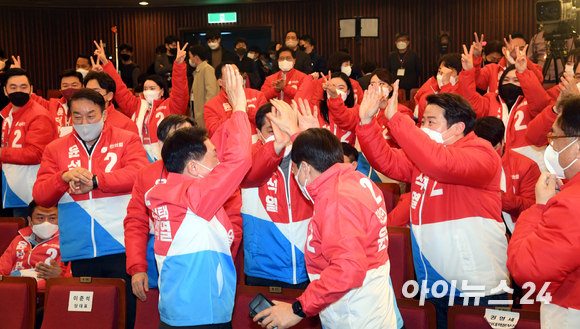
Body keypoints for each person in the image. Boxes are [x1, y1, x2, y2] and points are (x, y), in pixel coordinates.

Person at [357, 84, 510, 329]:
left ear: (458, 127)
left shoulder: (481, 153)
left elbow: (440, 162)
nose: (422, 128)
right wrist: (366, 122)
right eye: (421, 122)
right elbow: (386, 160)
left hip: (477, 286)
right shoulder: (424, 158)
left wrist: (397, 119)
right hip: (432, 282)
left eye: (430, 122)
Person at [253, 127, 397, 329]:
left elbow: (347, 269)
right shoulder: (357, 180)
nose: (294, 174)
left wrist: (299, 309)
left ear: (305, 168)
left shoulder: (336, 201)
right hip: (371, 306)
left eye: (294, 169)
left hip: (354, 315)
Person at [32, 88, 149, 329]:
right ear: (69, 118)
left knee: (123, 315)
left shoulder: (127, 138)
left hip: (121, 242)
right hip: (80, 248)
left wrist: (97, 181)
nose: (84, 122)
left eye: (91, 115)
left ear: (104, 114)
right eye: (77, 116)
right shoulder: (55, 148)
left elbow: (139, 173)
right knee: (89, 318)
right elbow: (40, 194)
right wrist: (62, 177)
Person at [145, 64, 252, 328]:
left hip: (185, 309)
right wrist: (239, 108)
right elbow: (239, 160)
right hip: (199, 314)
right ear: (193, 167)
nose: (219, 161)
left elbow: (225, 149)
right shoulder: (193, 197)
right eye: (213, 157)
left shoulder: (173, 190)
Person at [507, 94, 580, 329]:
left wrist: (539, 207)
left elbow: (526, 269)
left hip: (570, 311)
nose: (551, 145)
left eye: (555, 137)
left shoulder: (571, 203)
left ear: (577, 146)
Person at [240, 101, 314, 289]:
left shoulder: (306, 158)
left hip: (308, 265)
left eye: (284, 127)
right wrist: (277, 146)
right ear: (258, 133)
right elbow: (250, 175)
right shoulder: (247, 157)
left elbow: (333, 177)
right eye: (271, 130)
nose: (280, 134)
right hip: (263, 267)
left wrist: (313, 141)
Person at [458, 44, 552, 171]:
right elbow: (469, 102)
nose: (510, 83)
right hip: (494, 159)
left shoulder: (531, 102)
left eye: (516, 80)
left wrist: (523, 73)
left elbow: (541, 103)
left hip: (531, 162)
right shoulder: (490, 99)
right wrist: (468, 72)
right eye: (506, 79)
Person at [96, 40, 189, 162]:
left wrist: (179, 65)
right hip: (140, 156)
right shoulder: (136, 105)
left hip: (169, 156)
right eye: (145, 88)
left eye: (152, 88)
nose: (148, 91)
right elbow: (120, 89)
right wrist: (106, 63)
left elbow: (180, 91)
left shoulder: (171, 106)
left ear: (161, 91)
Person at [1, 68, 56, 218]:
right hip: (12, 186)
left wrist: (1, 153)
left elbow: (36, 154)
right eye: (13, 87)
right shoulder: (6, 115)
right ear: (5, 91)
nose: (19, 91)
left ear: (31, 89)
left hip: (30, 191)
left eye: (23, 87)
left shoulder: (39, 116)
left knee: (29, 234)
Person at [473, 116, 540, 234]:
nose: (490, 154)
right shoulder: (469, 163)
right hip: (479, 228)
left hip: (514, 229)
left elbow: (533, 207)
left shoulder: (527, 166)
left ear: (503, 141)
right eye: (483, 150)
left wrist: (499, 198)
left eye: (494, 148)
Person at [0, 200, 67, 291]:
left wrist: (59, 276)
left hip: (43, 293)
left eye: (52, 218)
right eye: (40, 218)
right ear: (30, 220)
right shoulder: (18, 240)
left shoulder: (65, 243)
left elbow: (66, 278)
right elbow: (2, 271)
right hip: (12, 290)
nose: (46, 223)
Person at [204, 61, 267, 138]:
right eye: (230, 76)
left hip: (258, 144)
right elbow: (213, 133)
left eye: (238, 74)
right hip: (231, 147)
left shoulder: (257, 95)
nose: (236, 78)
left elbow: (267, 121)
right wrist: (235, 110)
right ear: (220, 82)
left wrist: (247, 110)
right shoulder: (211, 105)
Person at [471, 32, 543, 94]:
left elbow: (539, 82)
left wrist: (523, 62)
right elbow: (476, 80)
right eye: (513, 48)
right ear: (504, 50)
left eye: (521, 49)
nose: (516, 52)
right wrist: (476, 58)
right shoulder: (492, 70)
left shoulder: (534, 67)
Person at [28, 67, 84, 137]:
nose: (69, 88)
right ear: (60, 88)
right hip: (56, 146)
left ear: (82, 86)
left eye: (74, 85)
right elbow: (32, 98)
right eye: (65, 85)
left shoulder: (89, 107)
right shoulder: (52, 105)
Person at [84, 71, 140, 135]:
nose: (90, 95)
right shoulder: (79, 120)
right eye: (87, 91)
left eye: (96, 91)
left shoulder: (126, 124)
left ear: (109, 96)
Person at [413, 53, 462, 125]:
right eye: (440, 71)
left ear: (460, 74)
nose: (442, 75)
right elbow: (421, 121)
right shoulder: (427, 94)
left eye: (448, 73)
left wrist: (446, 86)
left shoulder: (465, 93)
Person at [188, 44, 219, 129]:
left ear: (196, 57)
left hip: (205, 112)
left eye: (190, 57)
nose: (190, 60)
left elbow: (211, 92)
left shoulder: (207, 68)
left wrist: (207, 110)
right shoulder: (198, 70)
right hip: (198, 110)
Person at [386, 32, 422, 99]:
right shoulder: (392, 55)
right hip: (395, 85)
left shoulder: (413, 54)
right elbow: (388, 70)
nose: (401, 42)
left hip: (410, 86)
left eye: (403, 40)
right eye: (399, 40)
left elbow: (418, 70)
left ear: (408, 42)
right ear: (395, 42)